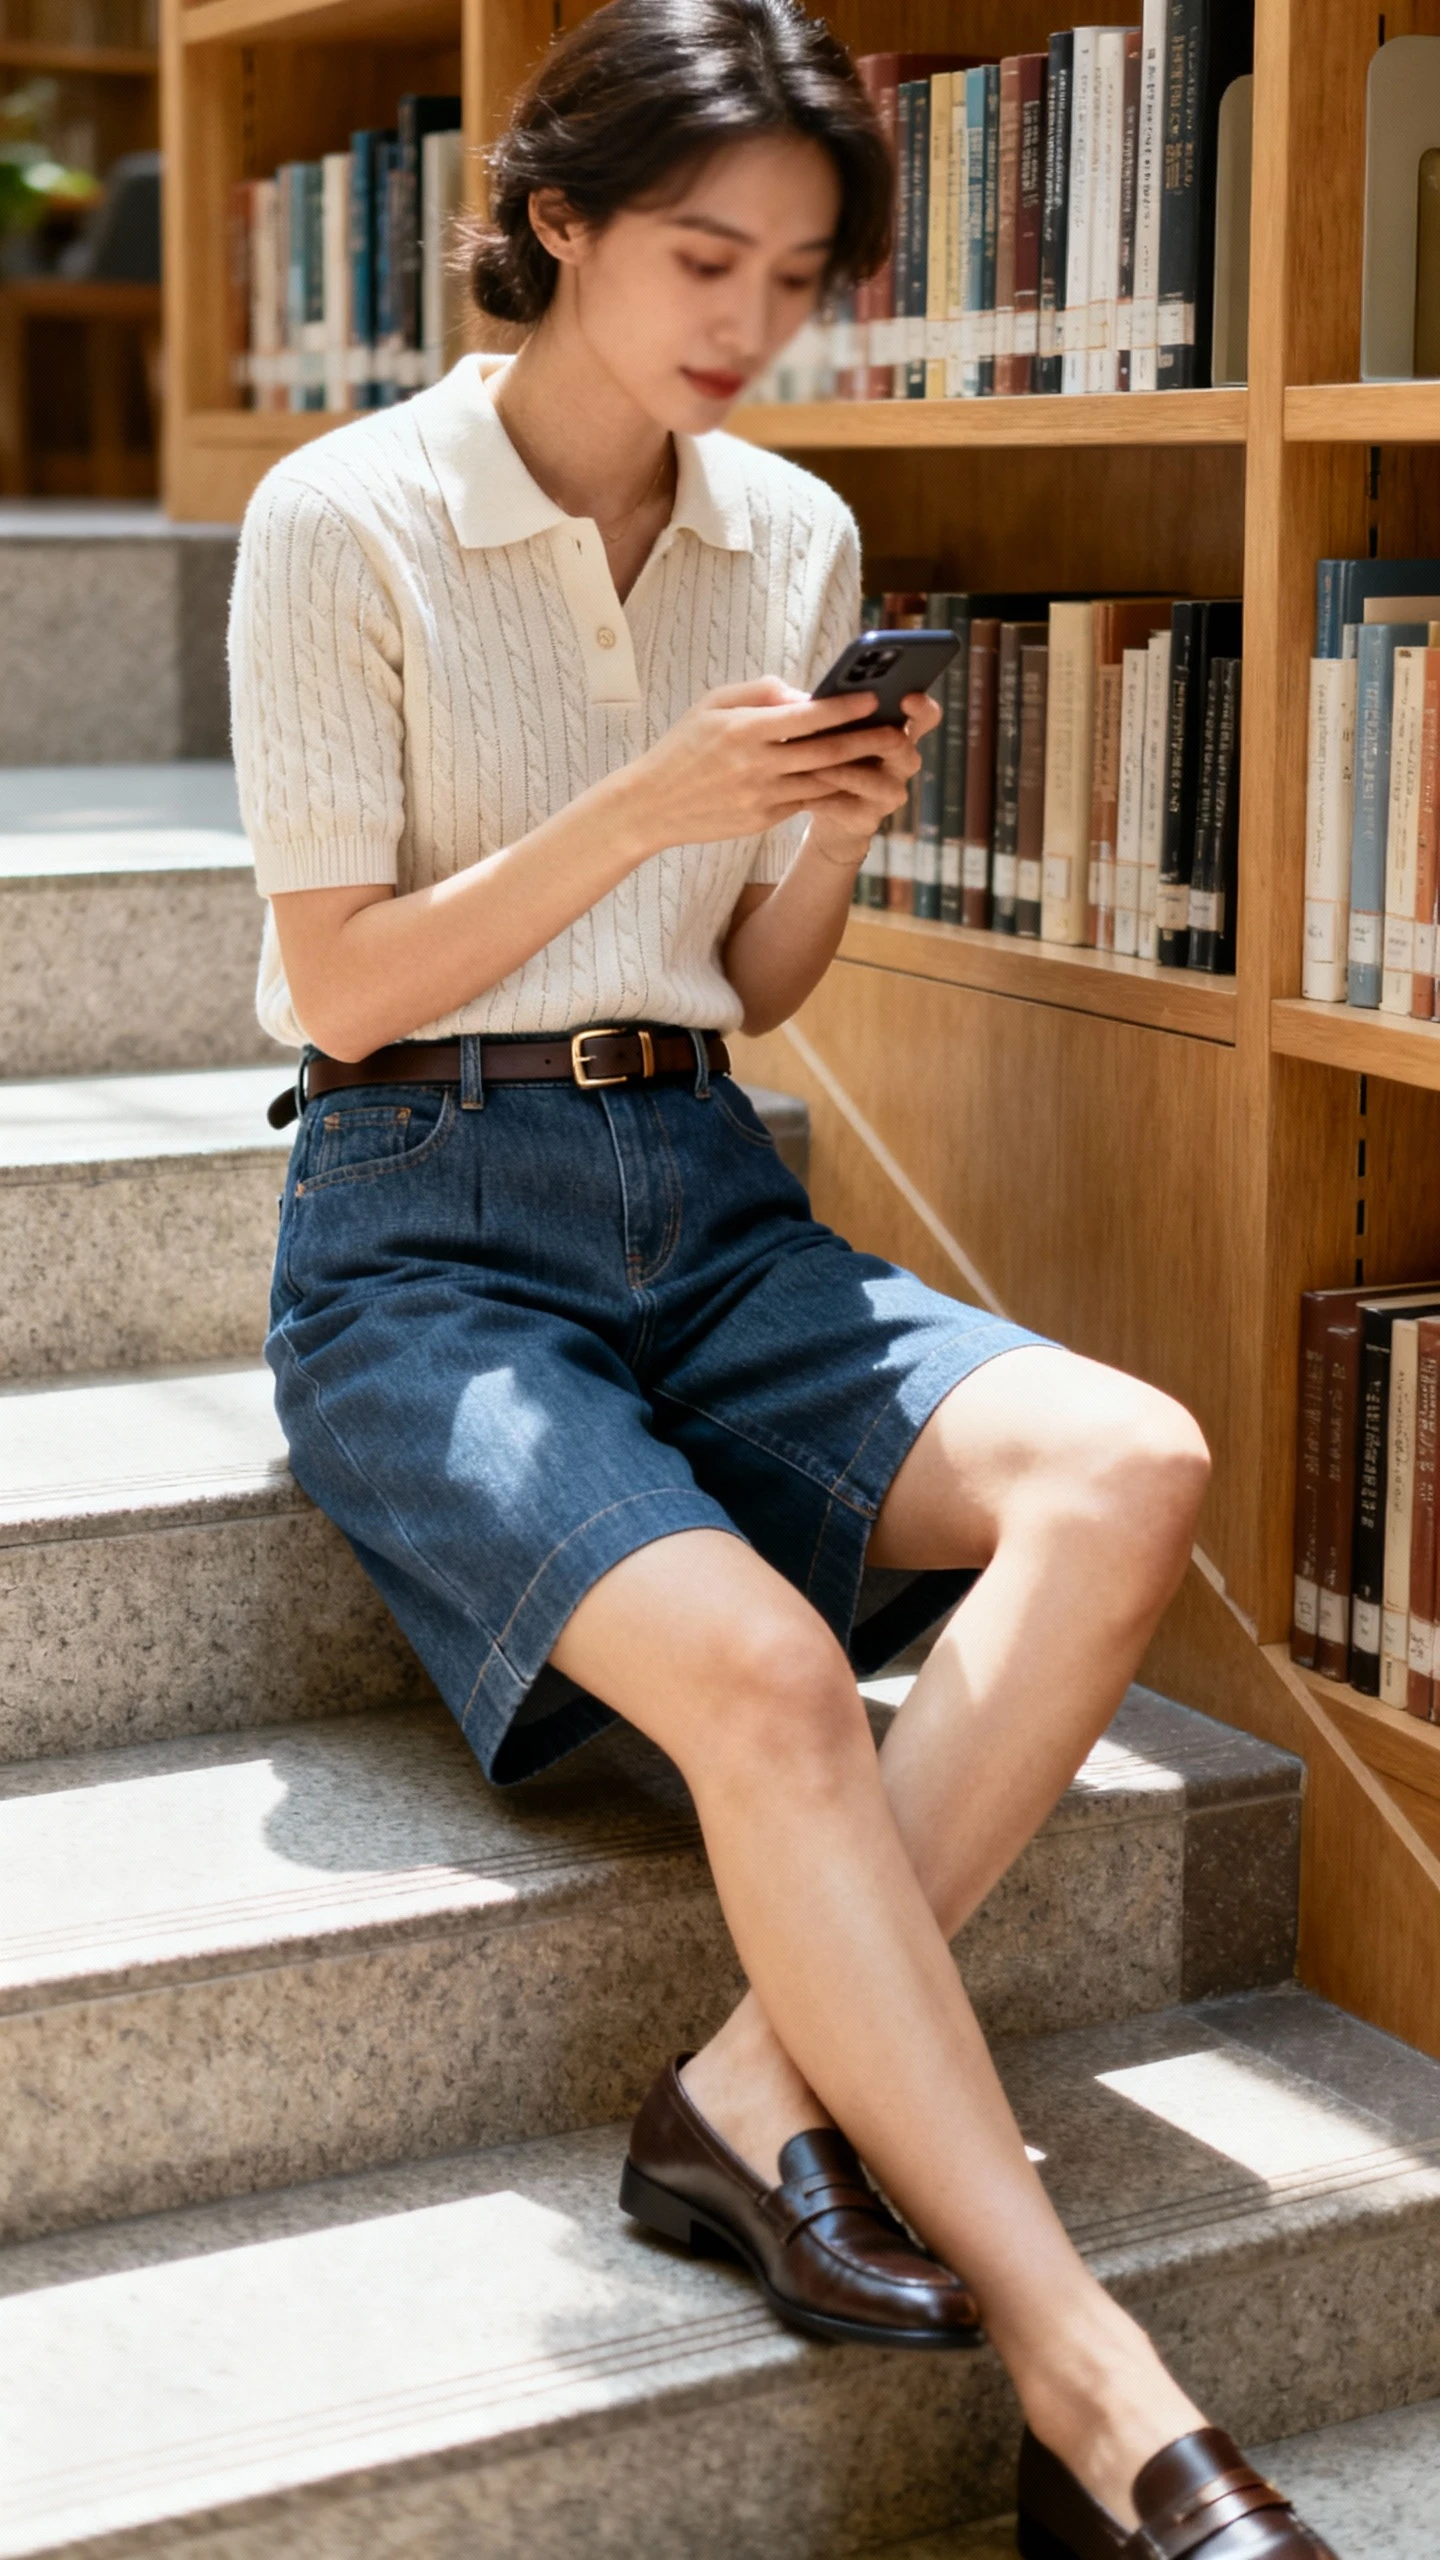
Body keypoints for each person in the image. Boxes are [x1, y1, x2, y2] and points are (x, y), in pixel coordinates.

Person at [227, 6, 1333, 2554]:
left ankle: (741, 2093)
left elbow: (761, 973)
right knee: (758, 1675)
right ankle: (1107, 2395)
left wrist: (826, 830)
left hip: (702, 1190)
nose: (743, 316)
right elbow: (352, 985)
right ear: (559, 228)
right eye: (697, 253)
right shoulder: (344, 521)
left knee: (1129, 1457)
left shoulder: (794, 534)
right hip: (419, 1230)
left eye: (799, 272)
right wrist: (657, 788)